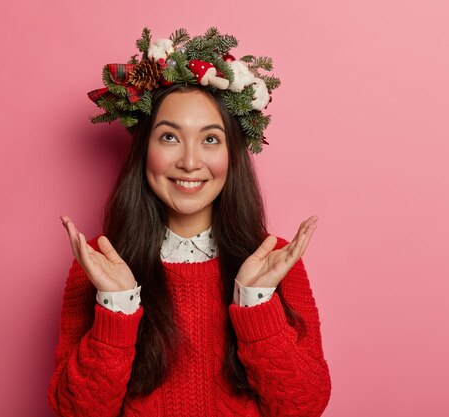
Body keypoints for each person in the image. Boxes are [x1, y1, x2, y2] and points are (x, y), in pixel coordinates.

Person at [47, 28, 331, 417]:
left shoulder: (274, 262)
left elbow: (304, 408)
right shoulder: (101, 266)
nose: (191, 162)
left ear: (233, 154)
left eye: (210, 140)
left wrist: (256, 303)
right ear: (144, 150)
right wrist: (117, 308)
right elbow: (75, 412)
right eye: (169, 137)